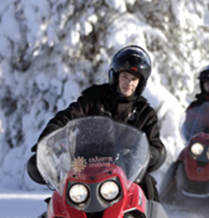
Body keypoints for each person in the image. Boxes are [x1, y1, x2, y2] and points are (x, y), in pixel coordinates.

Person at [27, 45, 166, 201]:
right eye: (125, 76)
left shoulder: (145, 112)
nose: (129, 83)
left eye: (134, 79)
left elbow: (156, 146)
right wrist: (47, 141)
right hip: (84, 168)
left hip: (127, 173)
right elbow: (68, 117)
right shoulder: (94, 98)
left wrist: (144, 155)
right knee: (59, 201)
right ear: (116, 76)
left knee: (147, 186)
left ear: (140, 82)